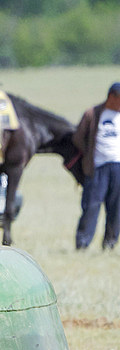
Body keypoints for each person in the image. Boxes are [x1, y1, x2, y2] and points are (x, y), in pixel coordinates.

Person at [74, 82, 120, 250]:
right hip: (97, 167)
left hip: (118, 167)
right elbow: (78, 138)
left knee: (116, 208)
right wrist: (88, 154)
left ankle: (110, 243)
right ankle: (82, 243)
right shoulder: (93, 114)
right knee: (91, 206)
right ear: (111, 97)